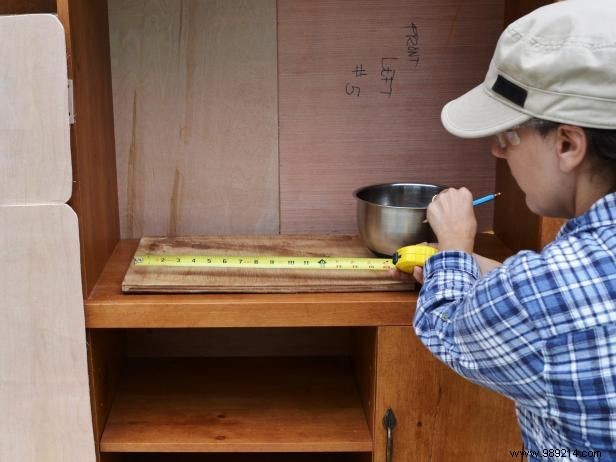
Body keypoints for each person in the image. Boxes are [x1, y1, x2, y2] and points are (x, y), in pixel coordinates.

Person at [400, 1, 616, 460]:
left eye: (508, 136)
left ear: (567, 143)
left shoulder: (545, 289)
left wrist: (454, 248)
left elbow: (447, 328)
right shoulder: (565, 278)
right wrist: (505, 273)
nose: (498, 152)